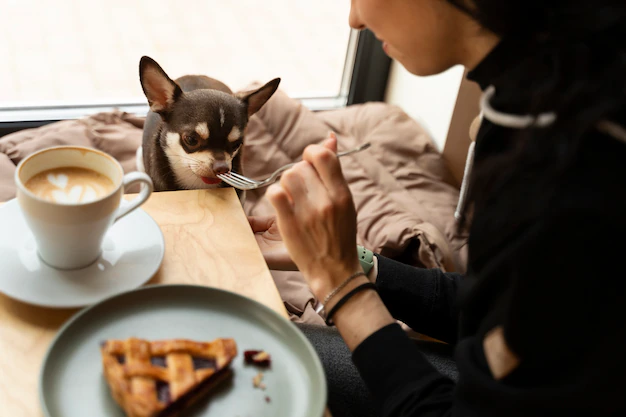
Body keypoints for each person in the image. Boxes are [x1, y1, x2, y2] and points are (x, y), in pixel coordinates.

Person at [248, 0, 626, 416]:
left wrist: (342, 288)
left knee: (255, 355)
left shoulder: (572, 177)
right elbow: (504, 309)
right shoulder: (541, 91)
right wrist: (353, 261)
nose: (354, 19)